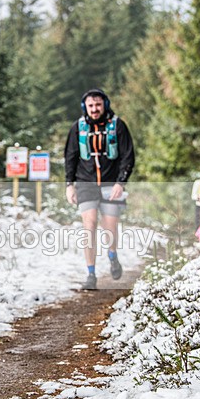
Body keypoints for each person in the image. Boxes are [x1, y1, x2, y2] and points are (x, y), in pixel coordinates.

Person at [64, 88, 135, 290]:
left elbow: (128, 156)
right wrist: (69, 185)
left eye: (98, 105)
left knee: (109, 227)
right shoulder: (77, 128)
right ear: (85, 107)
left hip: (111, 183)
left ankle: (112, 256)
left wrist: (121, 183)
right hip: (85, 183)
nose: (94, 109)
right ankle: (91, 274)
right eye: (91, 106)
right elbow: (70, 157)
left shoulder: (118, 126)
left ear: (105, 104)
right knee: (90, 225)